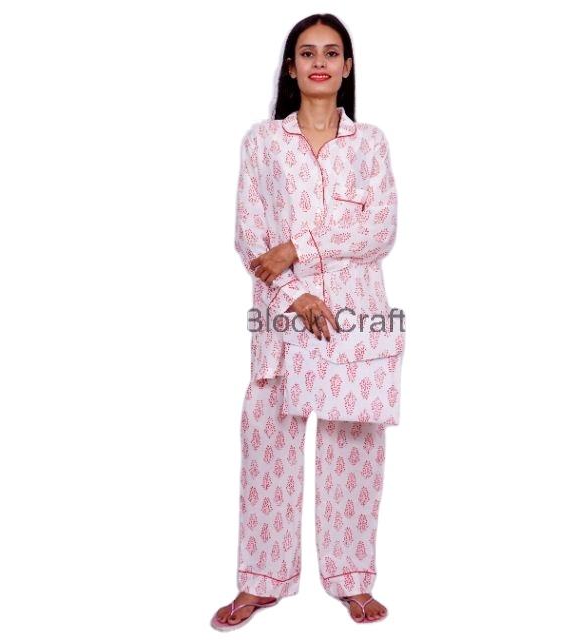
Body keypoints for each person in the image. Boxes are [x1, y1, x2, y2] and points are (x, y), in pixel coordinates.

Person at [211, 13, 400, 631]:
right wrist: (296, 293)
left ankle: (352, 578)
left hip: (357, 318)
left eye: (332, 52)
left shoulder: (369, 143)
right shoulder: (263, 143)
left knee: (353, 451)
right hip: (282, 321)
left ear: (348, 67)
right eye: (307, 52)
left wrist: (299, 246)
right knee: (267, 445)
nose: (320, 62)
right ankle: (260, 580)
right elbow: (251, 237)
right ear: (291, 68)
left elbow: (378, 230)